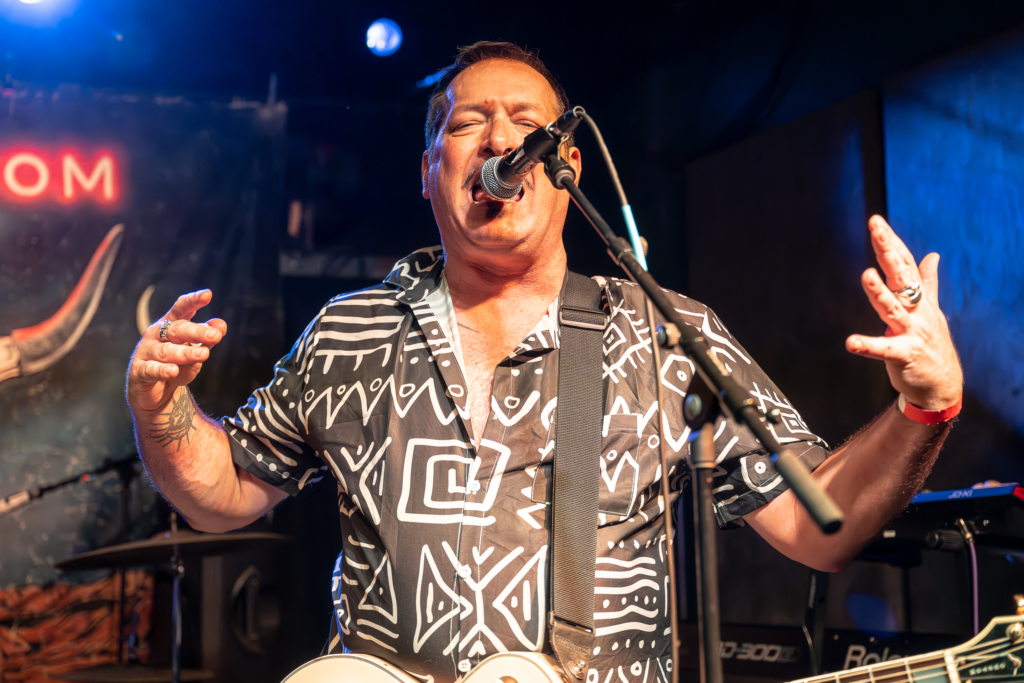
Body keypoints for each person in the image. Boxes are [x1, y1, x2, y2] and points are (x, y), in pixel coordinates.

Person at [126, 42, 963, 683]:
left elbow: (823, 525)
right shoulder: (353, 330)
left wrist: (926, 406)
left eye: (530, 127)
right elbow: (226, 491)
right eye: (465, 124)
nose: (500, 139)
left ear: (568, 167)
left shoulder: (661, 333)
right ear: (429, 172)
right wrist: (161, 410)